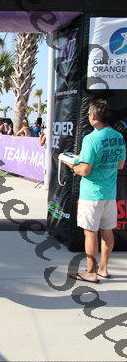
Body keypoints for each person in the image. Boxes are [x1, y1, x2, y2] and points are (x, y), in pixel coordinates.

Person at [63, 99, 126, 283]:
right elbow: (120, 165)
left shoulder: (91, 139)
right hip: (110, 194)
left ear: (92, 115)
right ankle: (103, 269)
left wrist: (71, 164)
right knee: (107, 232)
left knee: (90, 233)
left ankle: (90, 272)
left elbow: (84, 170)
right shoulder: (118, 137)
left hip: (91, 195)